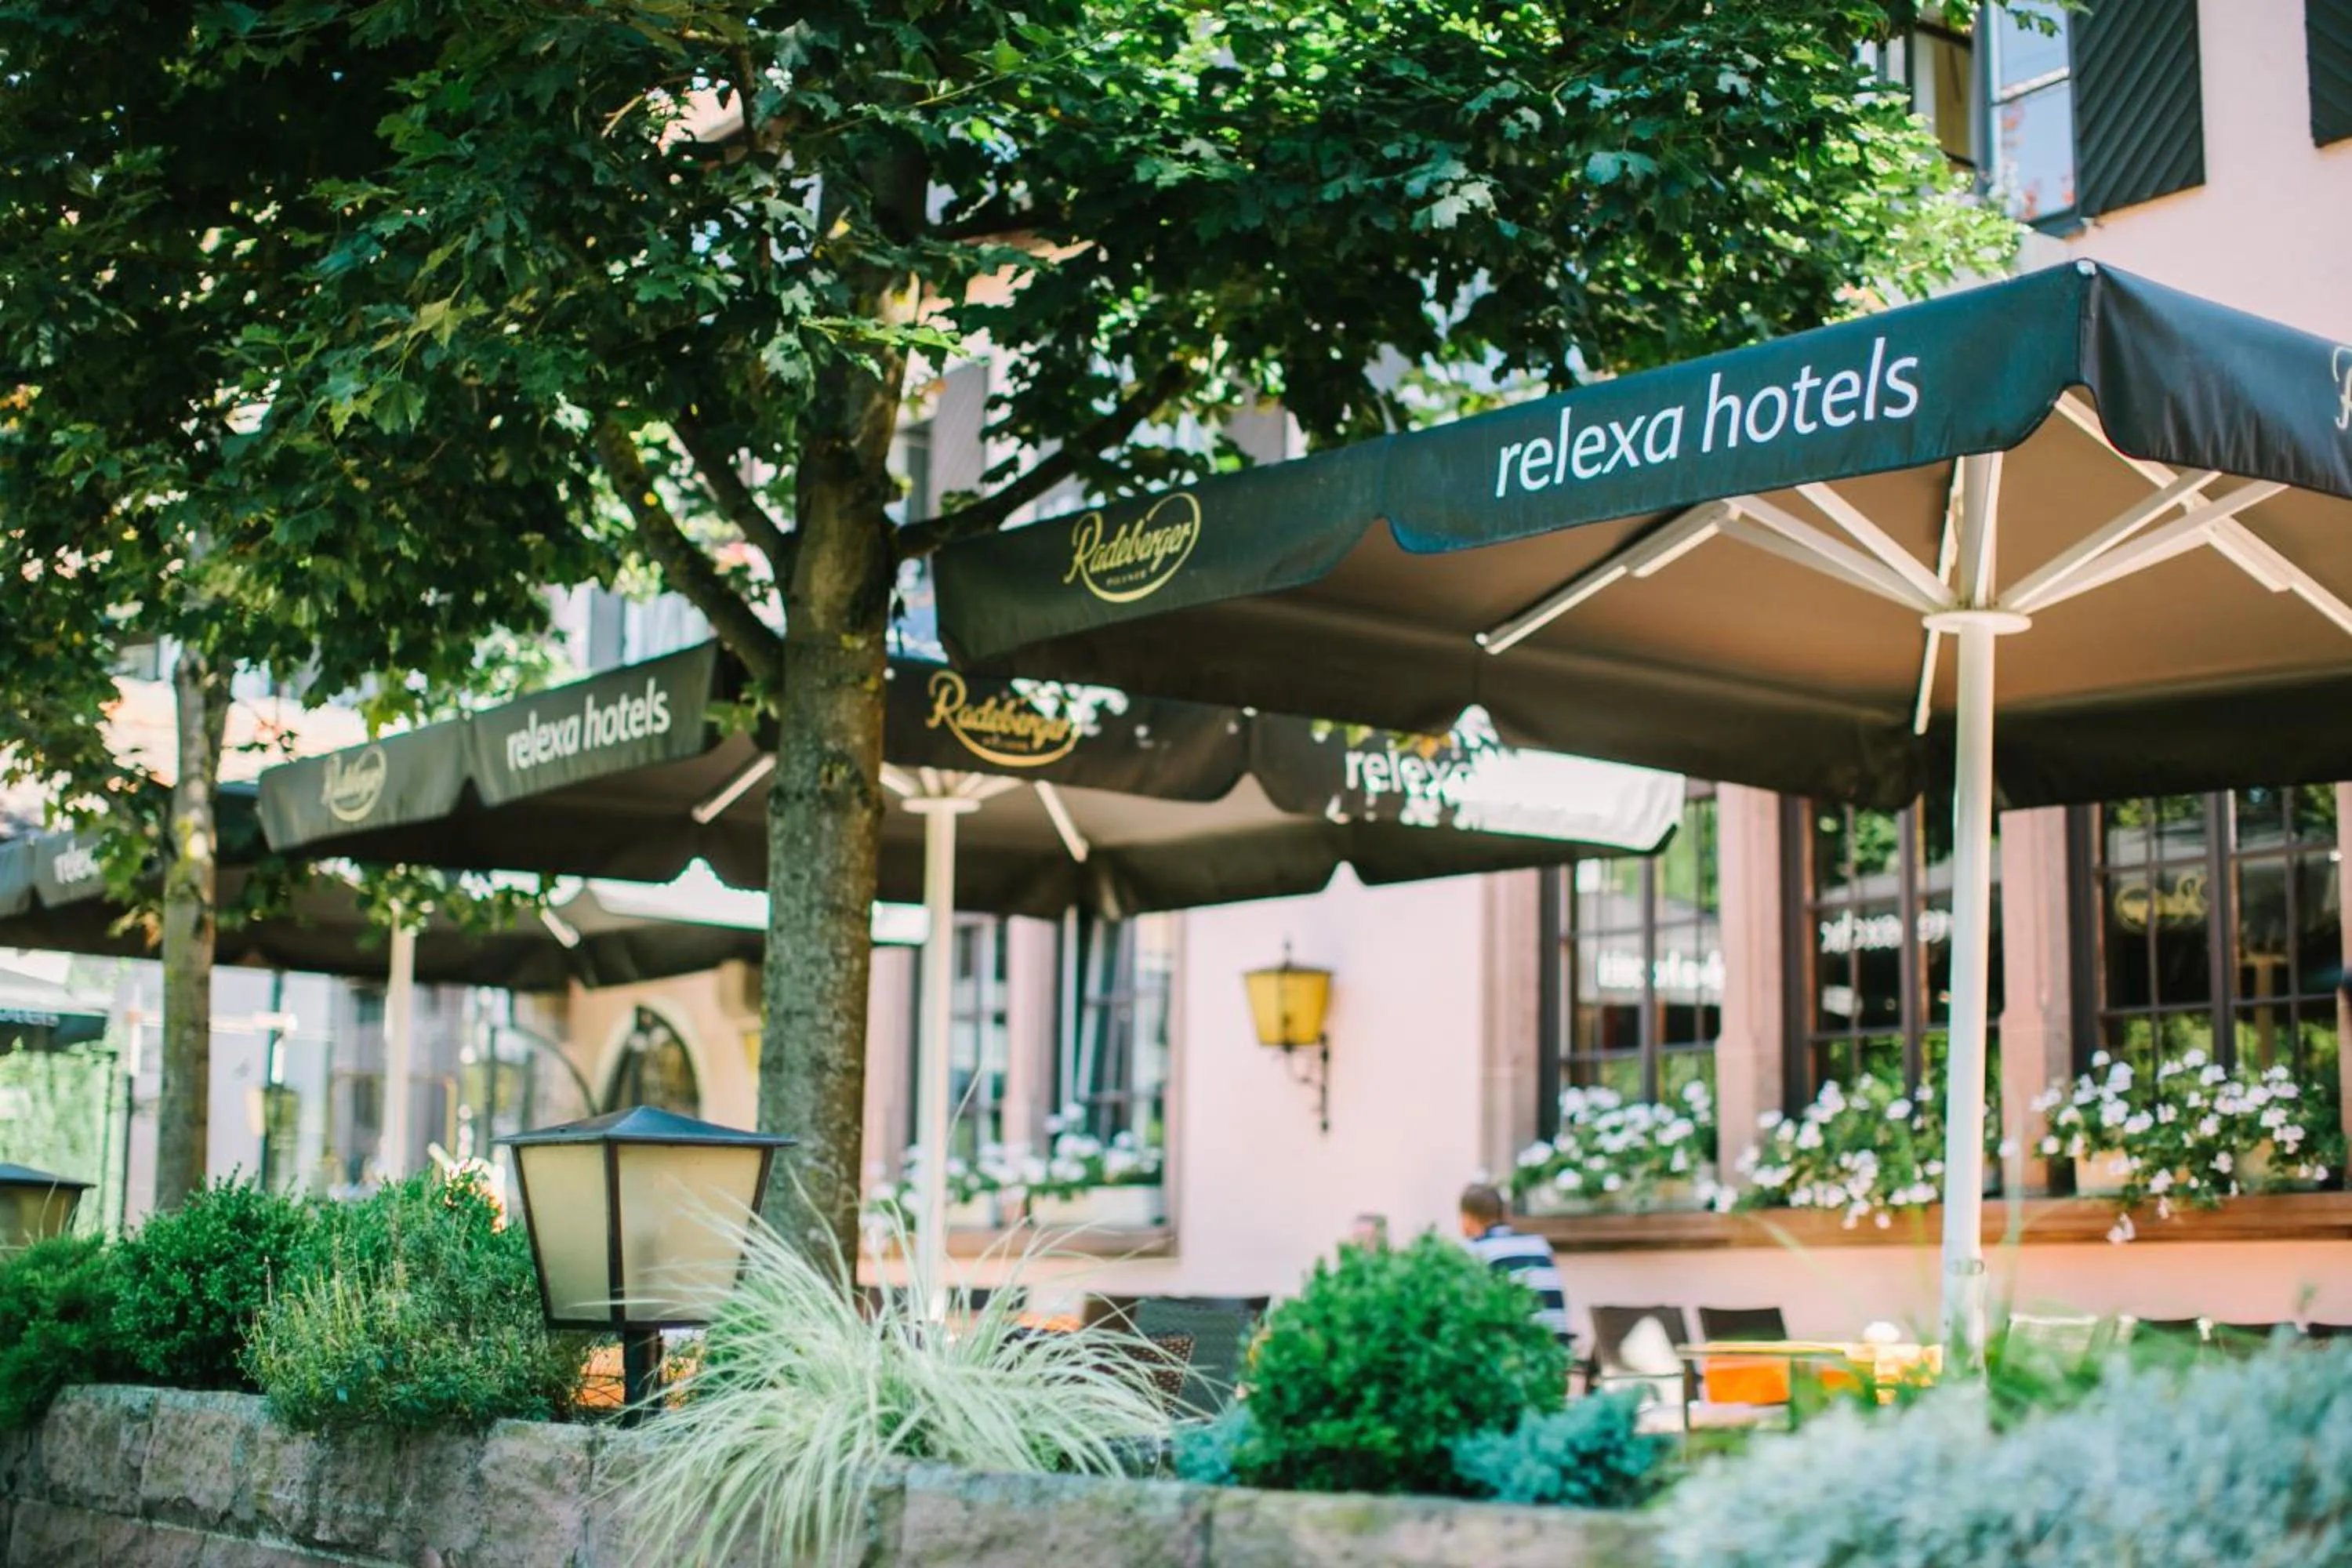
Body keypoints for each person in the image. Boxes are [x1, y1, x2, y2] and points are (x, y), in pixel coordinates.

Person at [1458, 1182, 1571, 1347]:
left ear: (1468, 1217)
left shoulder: (1476, 1249)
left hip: (1519, 1354)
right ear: (1502, 1214)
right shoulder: (1539, 1244)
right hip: (1558, 1350)